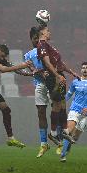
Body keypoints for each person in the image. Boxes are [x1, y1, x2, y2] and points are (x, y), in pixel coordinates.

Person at [36, 24, 79, 148]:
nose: (49, 32)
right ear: (42, 33)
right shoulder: (42, 45)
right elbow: (47, 62)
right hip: (52, 77)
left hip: (59, 75)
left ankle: (64, 131)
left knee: (62, 104)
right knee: (57, 104)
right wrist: (56, 75)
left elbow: (59, 63)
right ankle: (54, 133)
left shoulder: (49, 46)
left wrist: (71, 72)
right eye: (47, 31)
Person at [60, 62, 87, 162]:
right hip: (75, 109)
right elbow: (68, 95)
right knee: (68, 131)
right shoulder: (75, 82)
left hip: (86, 113)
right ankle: (63, 154)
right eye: (83, 68)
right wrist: (61, 103)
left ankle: (69, 143)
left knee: (75, 137)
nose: (84, 69)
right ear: (80, 70)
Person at [24, 27, 53, 158]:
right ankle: (43, 144)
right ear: (31, 39)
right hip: (40, 85)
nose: (36, 41)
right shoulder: (28, 54)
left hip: (52, 84)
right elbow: (30, 68)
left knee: (56, 111)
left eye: (38, 38)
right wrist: (34, 71)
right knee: (41, 113)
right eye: (34, 38)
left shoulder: (48, 50)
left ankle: (57, 137)